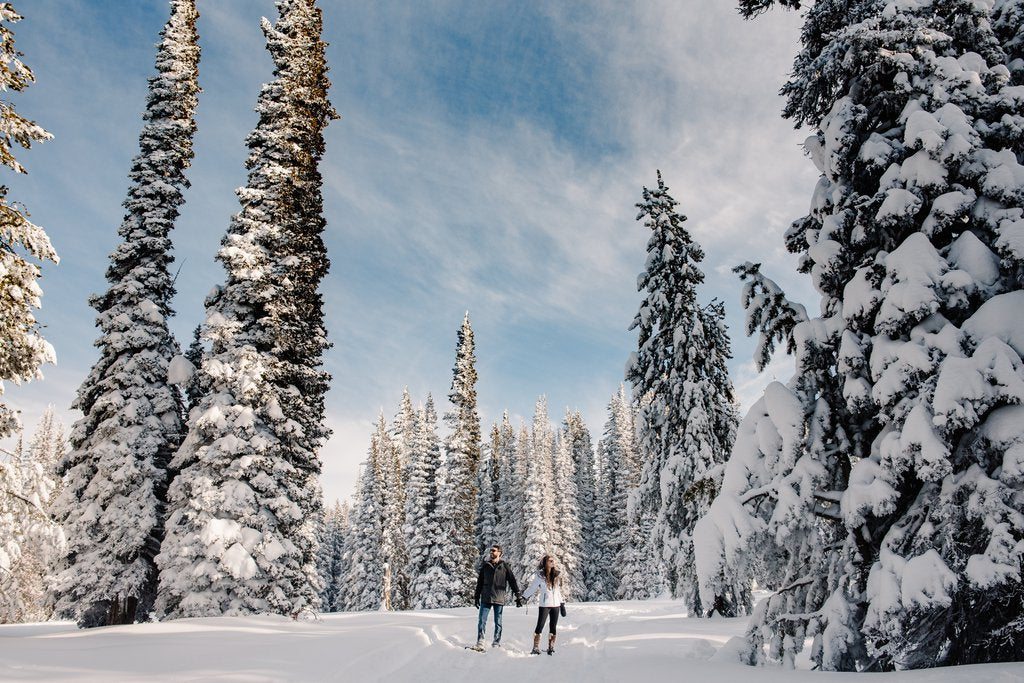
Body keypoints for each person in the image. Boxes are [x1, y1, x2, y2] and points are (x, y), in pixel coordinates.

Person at [472, 545, 522, 650]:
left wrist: (517, 595)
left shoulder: (504, 566)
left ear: (499, 553)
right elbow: (480, 583)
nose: (491, 552)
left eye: (494, 551)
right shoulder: (486, 566)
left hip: (499, 598)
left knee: (498, 622)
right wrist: (476, 597)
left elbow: (512, 581)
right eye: (490, 550)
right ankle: (480, 641)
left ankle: (496, 642)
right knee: (482, 621)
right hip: (486, 598)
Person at [521, 554, 565, 655]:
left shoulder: (556, 574)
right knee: (540, 625)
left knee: (553, 626)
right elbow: (533, 587)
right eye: (550, 561)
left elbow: (558, 591)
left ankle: (551, 647)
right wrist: (524, 597)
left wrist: (562, 604)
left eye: (553, 561)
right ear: (545, 563)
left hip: (556, 605)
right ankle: (535, 647)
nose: (552, 562)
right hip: (545, 605)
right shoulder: (540, 575)